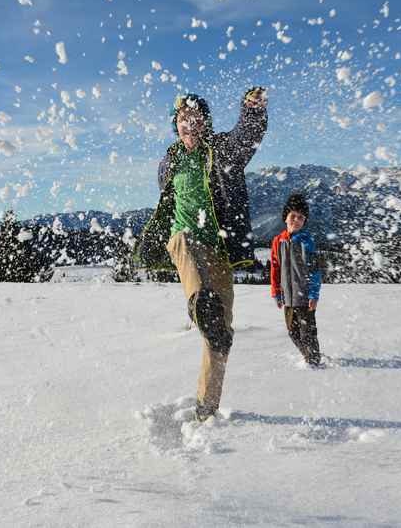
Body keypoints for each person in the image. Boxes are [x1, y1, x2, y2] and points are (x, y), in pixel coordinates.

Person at [137, 87, 268, 421]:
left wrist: (251, 112)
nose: (188, 123)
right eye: (182, 118)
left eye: (194, 117)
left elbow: (245, 137)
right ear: (176, 125)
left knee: (220, 334)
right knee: (188, 258)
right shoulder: (170, 161)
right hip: (183, 238)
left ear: (205, 122)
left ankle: (206, 410)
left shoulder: (222, 150)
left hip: (219, 248)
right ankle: (199, 301)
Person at [270, 193, 323, 367]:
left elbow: (315, 270)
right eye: (293, 215)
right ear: (285, 217)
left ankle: (314, 362)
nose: (296, 220)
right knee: (292, 332)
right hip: (288, 298)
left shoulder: (307, 242)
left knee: (307, 332)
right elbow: (275, 268)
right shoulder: (278, 241)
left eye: (301, 217)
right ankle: (307, 355)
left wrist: (314, 294)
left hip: (305, 297)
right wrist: (276, 292)